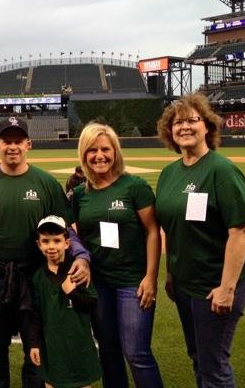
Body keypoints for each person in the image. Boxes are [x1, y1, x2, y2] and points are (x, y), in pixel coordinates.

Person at [0, 116, 91, 388]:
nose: (12, 147)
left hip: (36, 279)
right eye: (7, 141)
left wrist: (81, 255)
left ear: (28, 144)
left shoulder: (45, 183)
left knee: (37, 349)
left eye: (18, 141)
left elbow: (67, 229)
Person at [155, 93, 245, 388]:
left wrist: (227, 288)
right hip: (186, 284)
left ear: (207, 127)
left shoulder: (221, 170)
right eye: (177, 122)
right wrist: (172, 274)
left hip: (216, 284)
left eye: (191, 120)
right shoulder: (169, 174)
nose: (184, 127)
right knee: (199, 356)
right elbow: (172, 229)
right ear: (169, 131)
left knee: (213, 364)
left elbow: (240, 232)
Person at [73, 122, 164, 388]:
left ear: (115, 152)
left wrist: (151, 277)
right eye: (92, 150)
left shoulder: (134, 186)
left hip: (132, 282)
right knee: (109, 351)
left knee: (137, 353)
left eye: (105, 149)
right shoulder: (80, 194)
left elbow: (152, 232)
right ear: (84, 154)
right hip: (98, 283)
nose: (99, 156)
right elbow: (76, 234)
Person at [29, 215, 102, 388]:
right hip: (52, 349)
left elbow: (90, 303)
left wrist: (72, 292)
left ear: (67, 243)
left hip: (79, 345)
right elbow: (36, 314)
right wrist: (34, 344)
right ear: (39, 244)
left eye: (57, 240)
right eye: (46, 241)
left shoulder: (78, 271)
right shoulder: (38, 277)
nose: (52, 246)